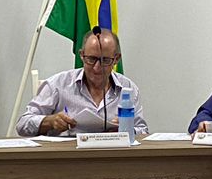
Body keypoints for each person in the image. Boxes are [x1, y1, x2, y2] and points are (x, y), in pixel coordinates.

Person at [16, 27, 144, 136]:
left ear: (116, 59)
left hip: (113, 155)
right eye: (91, 59)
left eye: (105, 60)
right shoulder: (58, 85)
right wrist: (49, 122)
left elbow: (142, 130)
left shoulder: (128, 88)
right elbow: (22, 124)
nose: (97, 68)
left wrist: (126, 130)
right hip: (68, 154)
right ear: (82, 55)